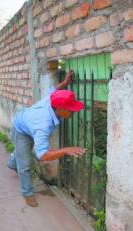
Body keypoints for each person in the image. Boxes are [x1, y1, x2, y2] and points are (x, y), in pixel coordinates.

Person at [8, 71, 86, 207]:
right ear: (60, 109)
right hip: (21, 129)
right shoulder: (42, 125)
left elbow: (55, 90)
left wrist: (65, 83)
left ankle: (13, 162)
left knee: (22, 152)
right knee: (25, 164)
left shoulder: (53, 99)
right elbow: (42, 155)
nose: (74, 111)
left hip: (29, 124)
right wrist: (66, 150)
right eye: (71, 109)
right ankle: (27, 193)